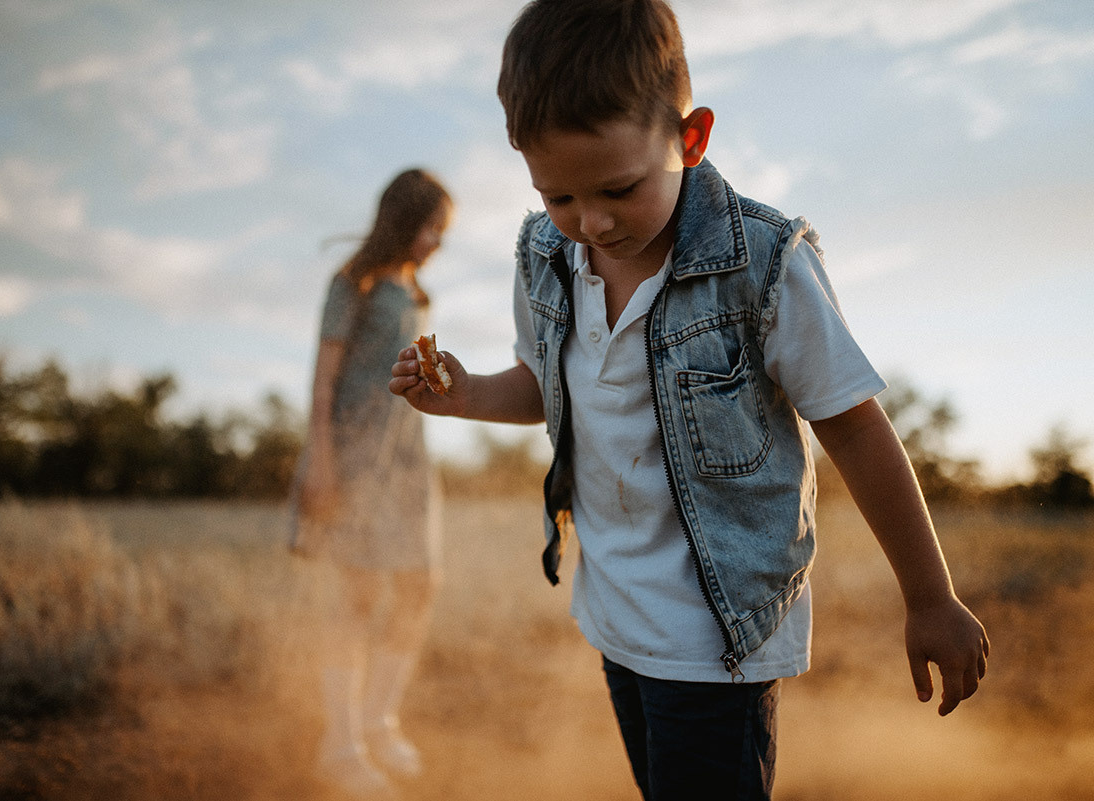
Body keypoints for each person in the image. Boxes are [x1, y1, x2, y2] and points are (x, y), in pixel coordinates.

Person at [389, 2, 990, 799]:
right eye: (559, 195)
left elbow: (852, 425)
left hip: (717, 636)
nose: (592, 223)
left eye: (618, 188)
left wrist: (930, 596)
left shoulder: (764, 266)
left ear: (691, 137)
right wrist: (463, 396)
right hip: (615, 612)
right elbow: (546, 384)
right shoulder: (545, 256)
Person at [292, 167, 451, 798]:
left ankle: (379, 721)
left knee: (421, 584)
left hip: (407, 459)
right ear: (403, 219)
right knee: (355, 599)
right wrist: (320, 460)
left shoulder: (416, 293)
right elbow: (324, 379)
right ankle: (340, 745)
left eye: (444, 229)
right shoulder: (351, 284)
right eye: (431, 225)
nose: (437, 239)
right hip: (354, 456)